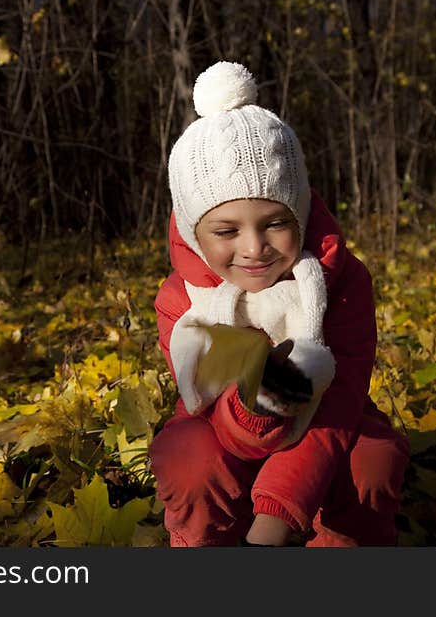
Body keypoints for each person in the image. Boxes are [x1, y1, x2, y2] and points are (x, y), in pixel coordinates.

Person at [148, 61, 410, 547]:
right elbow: (206, 407)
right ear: (192, 231)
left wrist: (279, 506)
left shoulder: (342, 281)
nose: (253, 248)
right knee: (184, 458)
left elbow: (341, 395)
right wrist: (262, 404)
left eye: (274, 223)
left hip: (327, 424)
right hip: (222, 425)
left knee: (372, 458)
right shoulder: (182, 302)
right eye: (226, 231)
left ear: (302, 211)